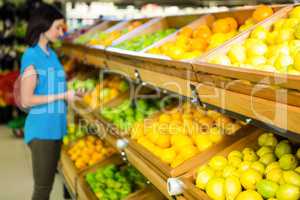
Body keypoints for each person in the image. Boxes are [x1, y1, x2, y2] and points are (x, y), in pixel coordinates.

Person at [20, 4, 75, 200]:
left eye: (63, 28)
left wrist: (70, 90)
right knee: (43, 188)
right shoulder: (31, 55)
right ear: (44, 25)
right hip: (43, 131)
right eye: (58, 27)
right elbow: (27, 99)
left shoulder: (51, 54)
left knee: (51, 183)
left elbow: (53, 85)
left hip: (57, 127)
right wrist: (61, 96)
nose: (61, 32)